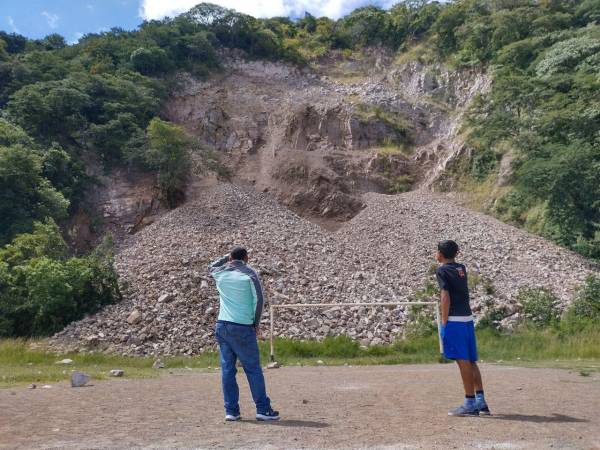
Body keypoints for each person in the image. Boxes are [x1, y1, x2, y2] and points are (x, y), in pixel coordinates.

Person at [208, 246, 280, 422]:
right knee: (253, 369)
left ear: (231, 257)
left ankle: (231, 411)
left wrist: (227, 257)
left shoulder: (219, 272)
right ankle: (263, 409)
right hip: (242, 326)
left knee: (227, 370)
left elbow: (211, 266)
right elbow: (259, 300)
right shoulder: (250, 274)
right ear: (247, 258)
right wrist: (255, 323)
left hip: (222, 325)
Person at [435, 240, 491, 417]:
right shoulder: (462, 268)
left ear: (440, 254)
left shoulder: (442, 270)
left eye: (437, 251)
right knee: (470, 360)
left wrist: (444, 322)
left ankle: (469, 403)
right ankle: (480, 400)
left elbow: (445, 296)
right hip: (467, 319)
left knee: (462, 361)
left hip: (455, 320)